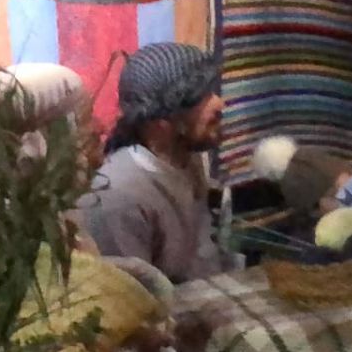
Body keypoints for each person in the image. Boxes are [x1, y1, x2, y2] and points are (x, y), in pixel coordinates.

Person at [82, 42, 237, 284]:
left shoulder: (186, 159)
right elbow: (131, 302)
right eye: (199, 97)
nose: (219, 103)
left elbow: (203, 258)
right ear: (160, 123)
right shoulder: (118, 195)